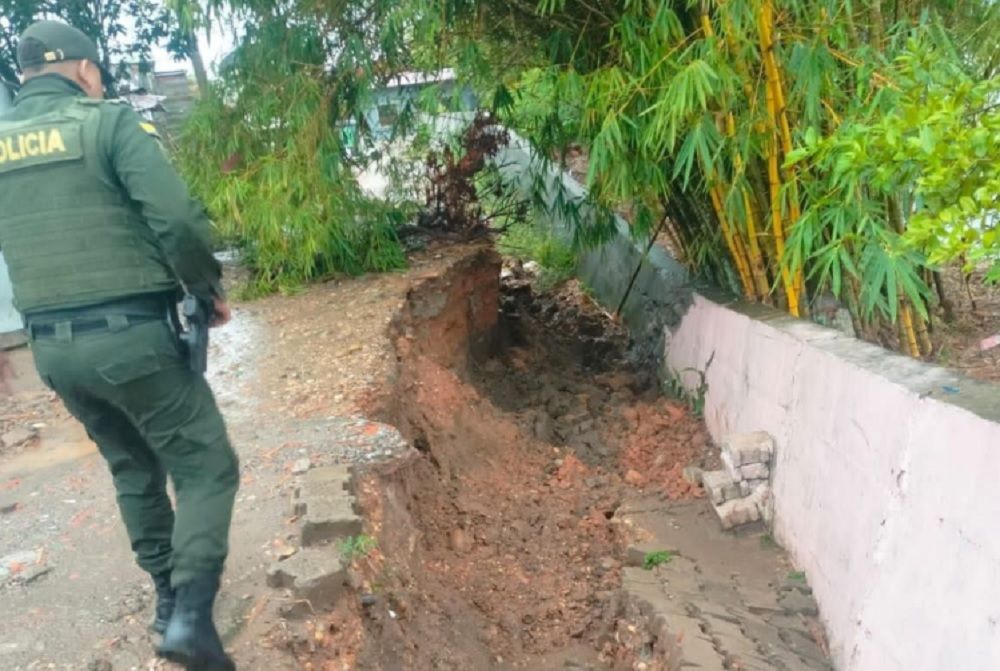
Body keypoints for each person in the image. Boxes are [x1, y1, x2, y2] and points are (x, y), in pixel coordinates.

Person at [0, 20, 238, 671]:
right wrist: (206, 287)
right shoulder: (107, 123)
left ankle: (165, 598)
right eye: (97, 70)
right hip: (130, 335)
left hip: (50, 347)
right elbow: (178, 220)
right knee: (206, 462)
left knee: (132, 464)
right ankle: (190, 614)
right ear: (81, 69)